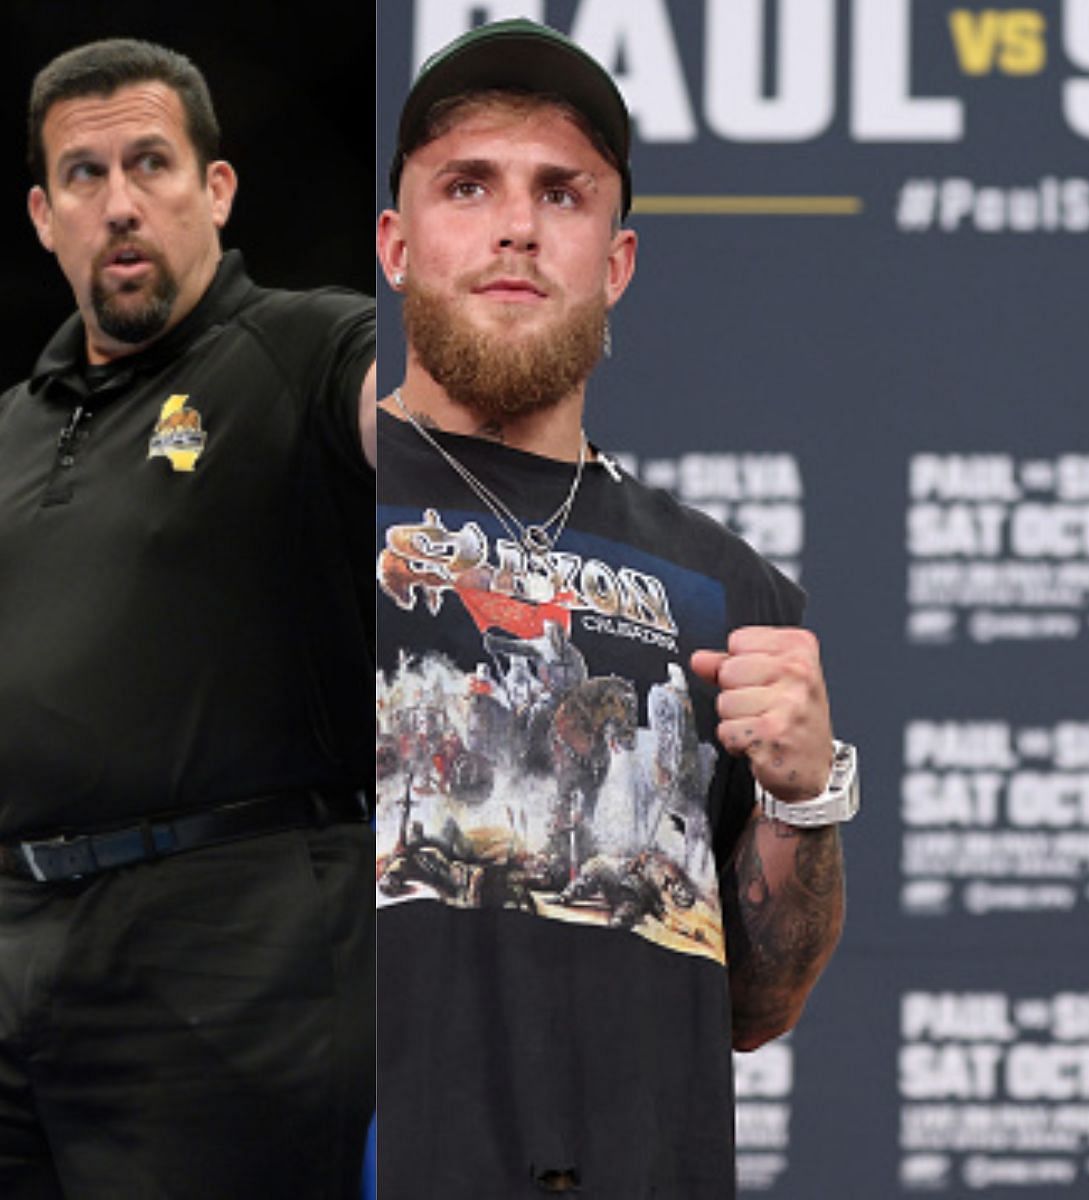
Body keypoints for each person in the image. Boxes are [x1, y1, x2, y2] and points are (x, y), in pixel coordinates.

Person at [371, 20, 852, 1198]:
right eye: (468, 184)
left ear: (618, 261)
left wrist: (806, 798)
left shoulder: (728, 593)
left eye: (563, 193)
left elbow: (757, 1004)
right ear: (394, 243)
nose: (517, 225)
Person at [0, 38, 376, 1200]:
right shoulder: (11, 424)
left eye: (151, 163)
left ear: (215, 189)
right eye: (84, 174)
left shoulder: (308, 345)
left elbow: (410, 410)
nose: (120, 203)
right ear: (41, 216)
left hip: (233, 953)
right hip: (20, 944)